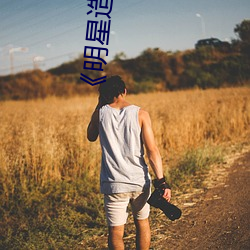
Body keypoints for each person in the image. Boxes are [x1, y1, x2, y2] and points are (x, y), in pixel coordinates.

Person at [87, 75, 171, 250]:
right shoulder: (141, 114)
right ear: (124, 91)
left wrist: (99, 104)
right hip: (139, 181)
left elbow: (90, 136)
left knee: (116, 233)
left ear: (103, 95)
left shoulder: (100, 114)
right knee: (142, 223)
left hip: (113, 184)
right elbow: (152, 150)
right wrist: (162, 182)